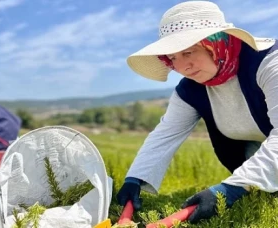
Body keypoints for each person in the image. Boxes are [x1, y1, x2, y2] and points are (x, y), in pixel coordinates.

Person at [116, 0, 278, 224]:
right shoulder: (190, 89)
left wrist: (229, 189)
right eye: (172, 58)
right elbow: (165, 135)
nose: (182, 67)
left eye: (189, 52)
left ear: (215, 43)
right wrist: (135, 179)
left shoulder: (270, 64)